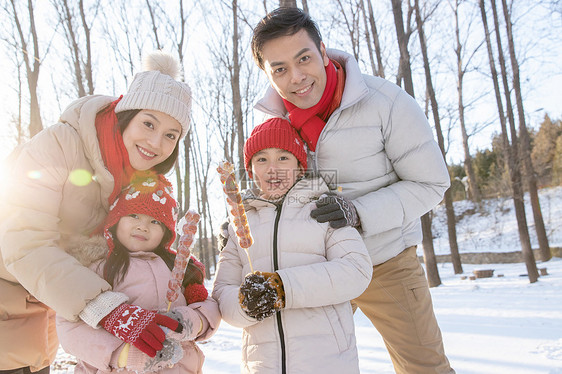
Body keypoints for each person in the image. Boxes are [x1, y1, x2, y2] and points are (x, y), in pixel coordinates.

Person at [250, 8, 454, 374]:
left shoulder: (385, 102)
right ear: (267, 74)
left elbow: (431, 182)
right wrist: (245, 224)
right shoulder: (272, 125)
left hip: (385, 260)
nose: (296, 78)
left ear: (324, 52)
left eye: (304, 59)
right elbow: (274, 192)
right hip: (314, 270)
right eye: (279, 68)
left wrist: (360, 213)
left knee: (425, 367)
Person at [0, 51, 192, 373]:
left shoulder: (142, 184)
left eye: (170, 135)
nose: (156, 142)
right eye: (148, 123)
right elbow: (23, 241)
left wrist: (189, 276)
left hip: (52, 305)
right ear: (125, 115)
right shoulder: (59, 145)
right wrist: (109, 310)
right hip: (8, 289)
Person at [211, 117, 373, 374]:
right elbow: (221, 292)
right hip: (261, 365)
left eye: (283, 158)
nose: (272, 168)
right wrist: (245, 304)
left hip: (326, 363)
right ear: (251, 170)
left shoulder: (324, 209)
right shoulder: (237, 226)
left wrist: (282, 288)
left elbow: (356, 271)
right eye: (261, 159)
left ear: (300, 167)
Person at [56, 171, 220, 373]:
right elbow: (69, 326)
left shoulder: (179, 267)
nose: (143, 226)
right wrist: (123, 354)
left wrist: (190, 322)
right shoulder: (98, 268)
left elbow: (207, 307)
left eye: (155, 221)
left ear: (166, 232)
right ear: (116, 221)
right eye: (134, 215)